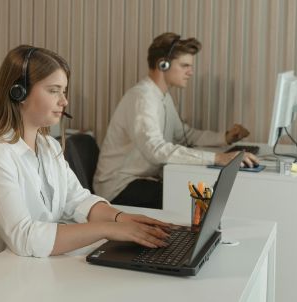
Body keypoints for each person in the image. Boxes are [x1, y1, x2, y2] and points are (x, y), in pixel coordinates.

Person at [0, 45, 170, 284]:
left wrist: (121, 218)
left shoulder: (48, 146)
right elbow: (25, 237)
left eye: (64, 91)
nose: (64, 100)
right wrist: (107, 229)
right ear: (18, 92)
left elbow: (77, 199)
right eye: (54, 91)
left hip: (21, 274)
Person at [94, 33, 258, 209]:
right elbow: (155, 150)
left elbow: (184, 134)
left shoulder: (162, 97)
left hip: (141, 180)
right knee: (190, 201)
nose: (190, 72)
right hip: (119, 187)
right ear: (162, 64)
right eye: (185, 65)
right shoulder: (142, 98)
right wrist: (217, 158)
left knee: (197, 196)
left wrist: (225, 138)